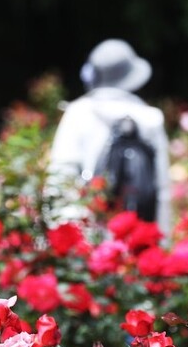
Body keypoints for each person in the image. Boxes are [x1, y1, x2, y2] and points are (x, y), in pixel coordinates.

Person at [47, 39, 171, 236]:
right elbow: (162, 190)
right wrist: (162, 241)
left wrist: (67, 237)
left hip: (89, 235)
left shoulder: (78, 113)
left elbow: (60, 176)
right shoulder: (150, 118)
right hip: (139, 237)